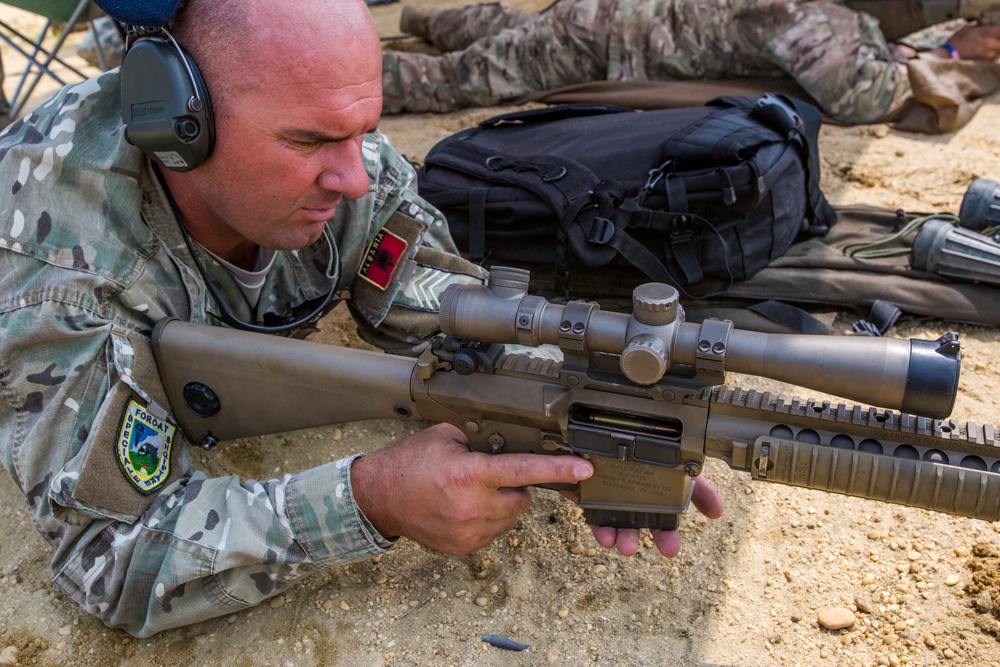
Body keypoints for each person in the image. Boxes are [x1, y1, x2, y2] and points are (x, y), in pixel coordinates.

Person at [0, 0, 724, 637]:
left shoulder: (349, 163)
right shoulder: (59, 277)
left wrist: (576, 404)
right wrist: (371, 498)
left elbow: (426, 300)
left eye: (364, 129)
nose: (354, 176)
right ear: (178, 121)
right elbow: (112, 556)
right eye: (310, 141)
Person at [382, 0, 1000, 124]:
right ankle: (344, 70)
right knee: (454, 81)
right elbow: (860, 96)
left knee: (512, 32)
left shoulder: (832, 16)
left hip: (601, 19)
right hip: (597, 42)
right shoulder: (814, 17)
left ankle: (420, 18)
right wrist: (951, 55)